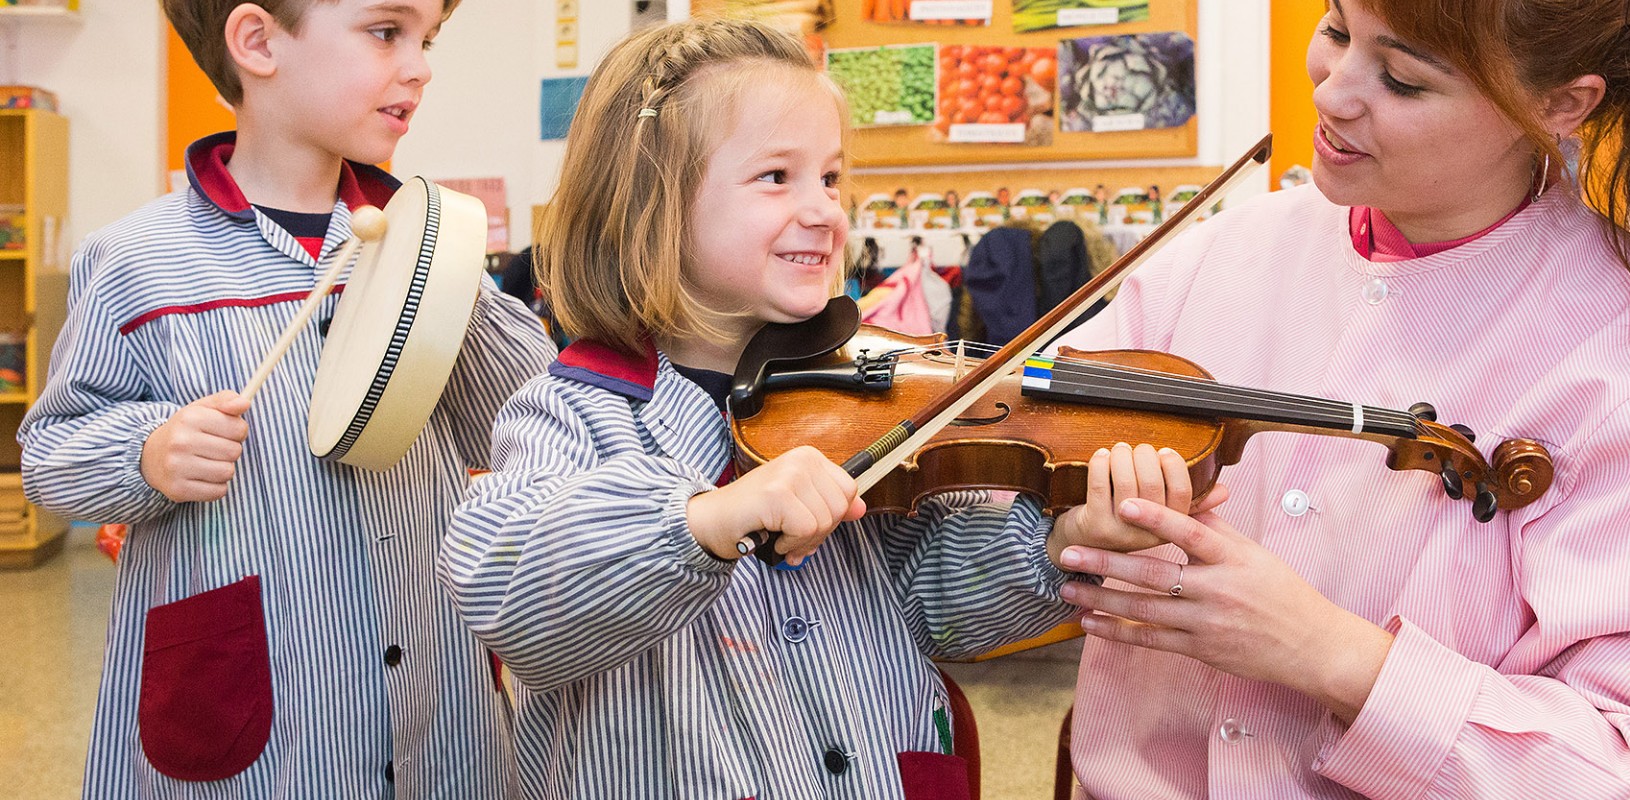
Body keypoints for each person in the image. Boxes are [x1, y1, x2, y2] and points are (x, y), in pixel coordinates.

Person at [1052, 0, 1630, 797]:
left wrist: (1336, 657)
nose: (1332, 91)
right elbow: (986, 554)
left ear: (1559, 104)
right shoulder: (1209, 263)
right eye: (1335, 29)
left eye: (1402, 79)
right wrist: (1069, 537)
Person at [436, 18, 1170, 798]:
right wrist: (703, 522)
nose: (823, 209)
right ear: (649, 202)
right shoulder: (573, 410)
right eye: (776, 178)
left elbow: (934, 606)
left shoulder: (854, 399)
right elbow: (508, 590)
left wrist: (1057, 543)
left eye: (829, 177)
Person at [19, 0, 556, 796]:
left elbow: (524, 426)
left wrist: (449, 283)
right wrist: (149, 451)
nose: (420, 65)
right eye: (386, 32)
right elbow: (50, 457)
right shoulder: (136, 261)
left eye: (427, 38)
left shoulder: (421, 245)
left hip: (435, 698)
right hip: (256, 711)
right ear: (257, 41)